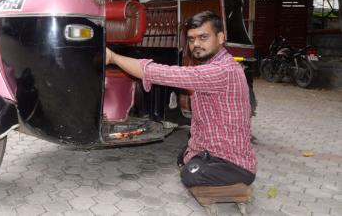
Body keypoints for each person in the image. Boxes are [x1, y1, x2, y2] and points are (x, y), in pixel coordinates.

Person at [105, 11, 256, 188]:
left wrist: (113, 57)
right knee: (183, 158)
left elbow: (163, 73)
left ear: (220, 37)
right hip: (209, 149)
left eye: (203, 37)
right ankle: (197, 159)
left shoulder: (223, 71)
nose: (196, 44)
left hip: (232, 162)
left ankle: (213, 169)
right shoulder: (210, 65)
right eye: (191, 39)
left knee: (190, 175)